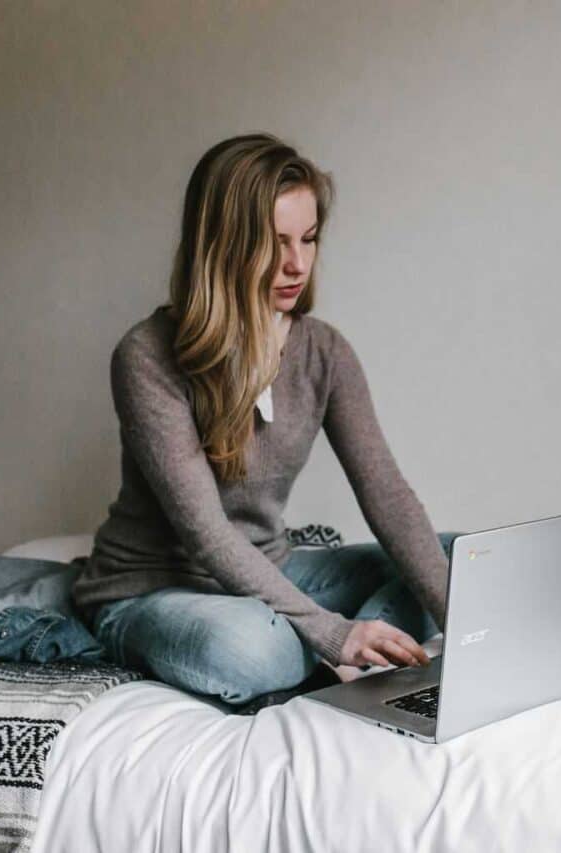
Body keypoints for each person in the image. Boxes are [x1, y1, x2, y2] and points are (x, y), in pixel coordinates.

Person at [71, 133, 460, 711]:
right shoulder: (147, 356)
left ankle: (360, 655)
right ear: (223, 245)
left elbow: (388, 496)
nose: (296, 264)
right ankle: (342, 649)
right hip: (155, 589)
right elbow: (206, 534)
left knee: (453, 558)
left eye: (308, 239)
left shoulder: (324, 351)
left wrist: (466, 621)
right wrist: (332, 632)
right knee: (248, 650)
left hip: (275, 570)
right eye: (272, 243)